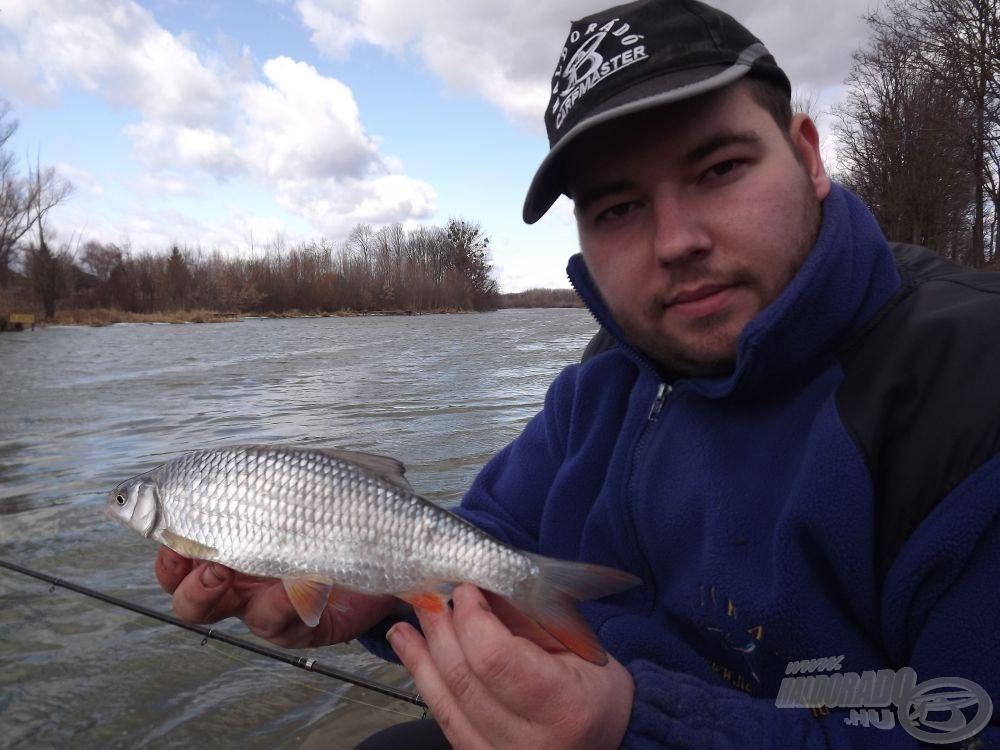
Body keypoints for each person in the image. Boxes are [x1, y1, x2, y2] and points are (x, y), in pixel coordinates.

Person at [156, 0, 1000, 747]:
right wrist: (372, 590)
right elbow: (475, 545)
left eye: (719, 169)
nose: (675, 241)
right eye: (618, 208)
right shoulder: (603, 384)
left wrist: (627, 727)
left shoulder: (971, 394)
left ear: (808, 155)